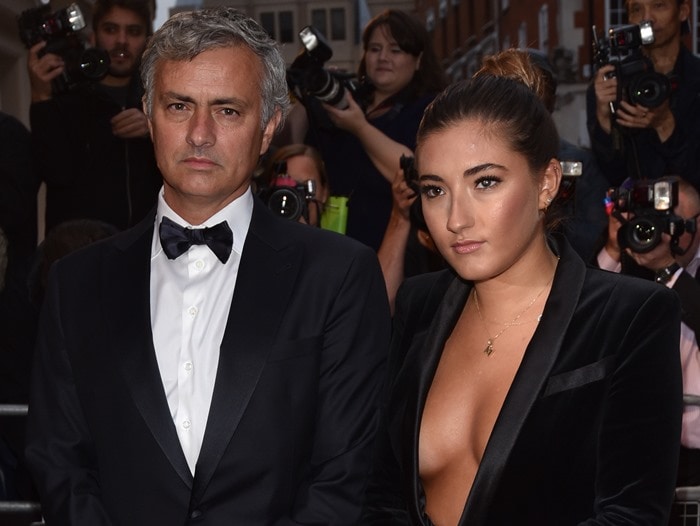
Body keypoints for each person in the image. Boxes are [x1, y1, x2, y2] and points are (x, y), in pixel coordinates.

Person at [25, 7, 391, 525]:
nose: (199, 134)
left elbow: (345, 475)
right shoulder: (75, 283)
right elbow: (58, 458)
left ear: (267, 131)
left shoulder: (338, 276)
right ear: (149, 117)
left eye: (227, 111)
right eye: (179, 106)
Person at [362, 74, 683, 524]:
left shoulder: (630, 316)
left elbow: (630, 514)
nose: (456, 219)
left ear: (547, 182)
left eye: (486, 182)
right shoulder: (419, 306)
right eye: (435, 190)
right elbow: (381, 493)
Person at [292, 9, 447, 251]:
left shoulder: (430, 108)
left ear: (418, 60)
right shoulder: (347, 101)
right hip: (336, 244)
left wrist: (359, 127)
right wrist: (308, 91)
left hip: (396, 249)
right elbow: (293, 144)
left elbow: (414, 170)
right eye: (375, 49)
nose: (383, 57)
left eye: (395, 50)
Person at [597, 177, 700, 488]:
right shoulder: (631, 266)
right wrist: (614, 249)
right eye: (652, 218)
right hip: (638, 452)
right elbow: (586, 317)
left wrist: (669, 270)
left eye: (670, 220)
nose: (660, 231)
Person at [27, 0, 161, 234]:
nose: (121, 40)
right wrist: (40, 97)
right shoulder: (64, 99)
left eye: (134, 31)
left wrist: (155, 130)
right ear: (93, 36)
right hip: (78, 255)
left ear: (147, 41)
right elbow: (54, 173)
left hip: (147, 253)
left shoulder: (162, 100)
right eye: (110, 29)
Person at [476, 48, 610, 261]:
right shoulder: (472, 164)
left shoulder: (581, 165)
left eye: (534, 95)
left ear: (552, 101)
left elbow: (592, 237)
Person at [586, 0, 700, 189]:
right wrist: (604, 121)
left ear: (683, 11)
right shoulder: (612, 82)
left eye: (659, 5)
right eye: (637, 9)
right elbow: (610, 176)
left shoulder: (695, 79)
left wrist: (665, 125)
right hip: (632, 212)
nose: (647, 18)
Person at [255, 143, 329, 227]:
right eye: (287, 189)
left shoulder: (337, 240)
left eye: (306, 187)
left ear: (324, 193)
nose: (294, 197)